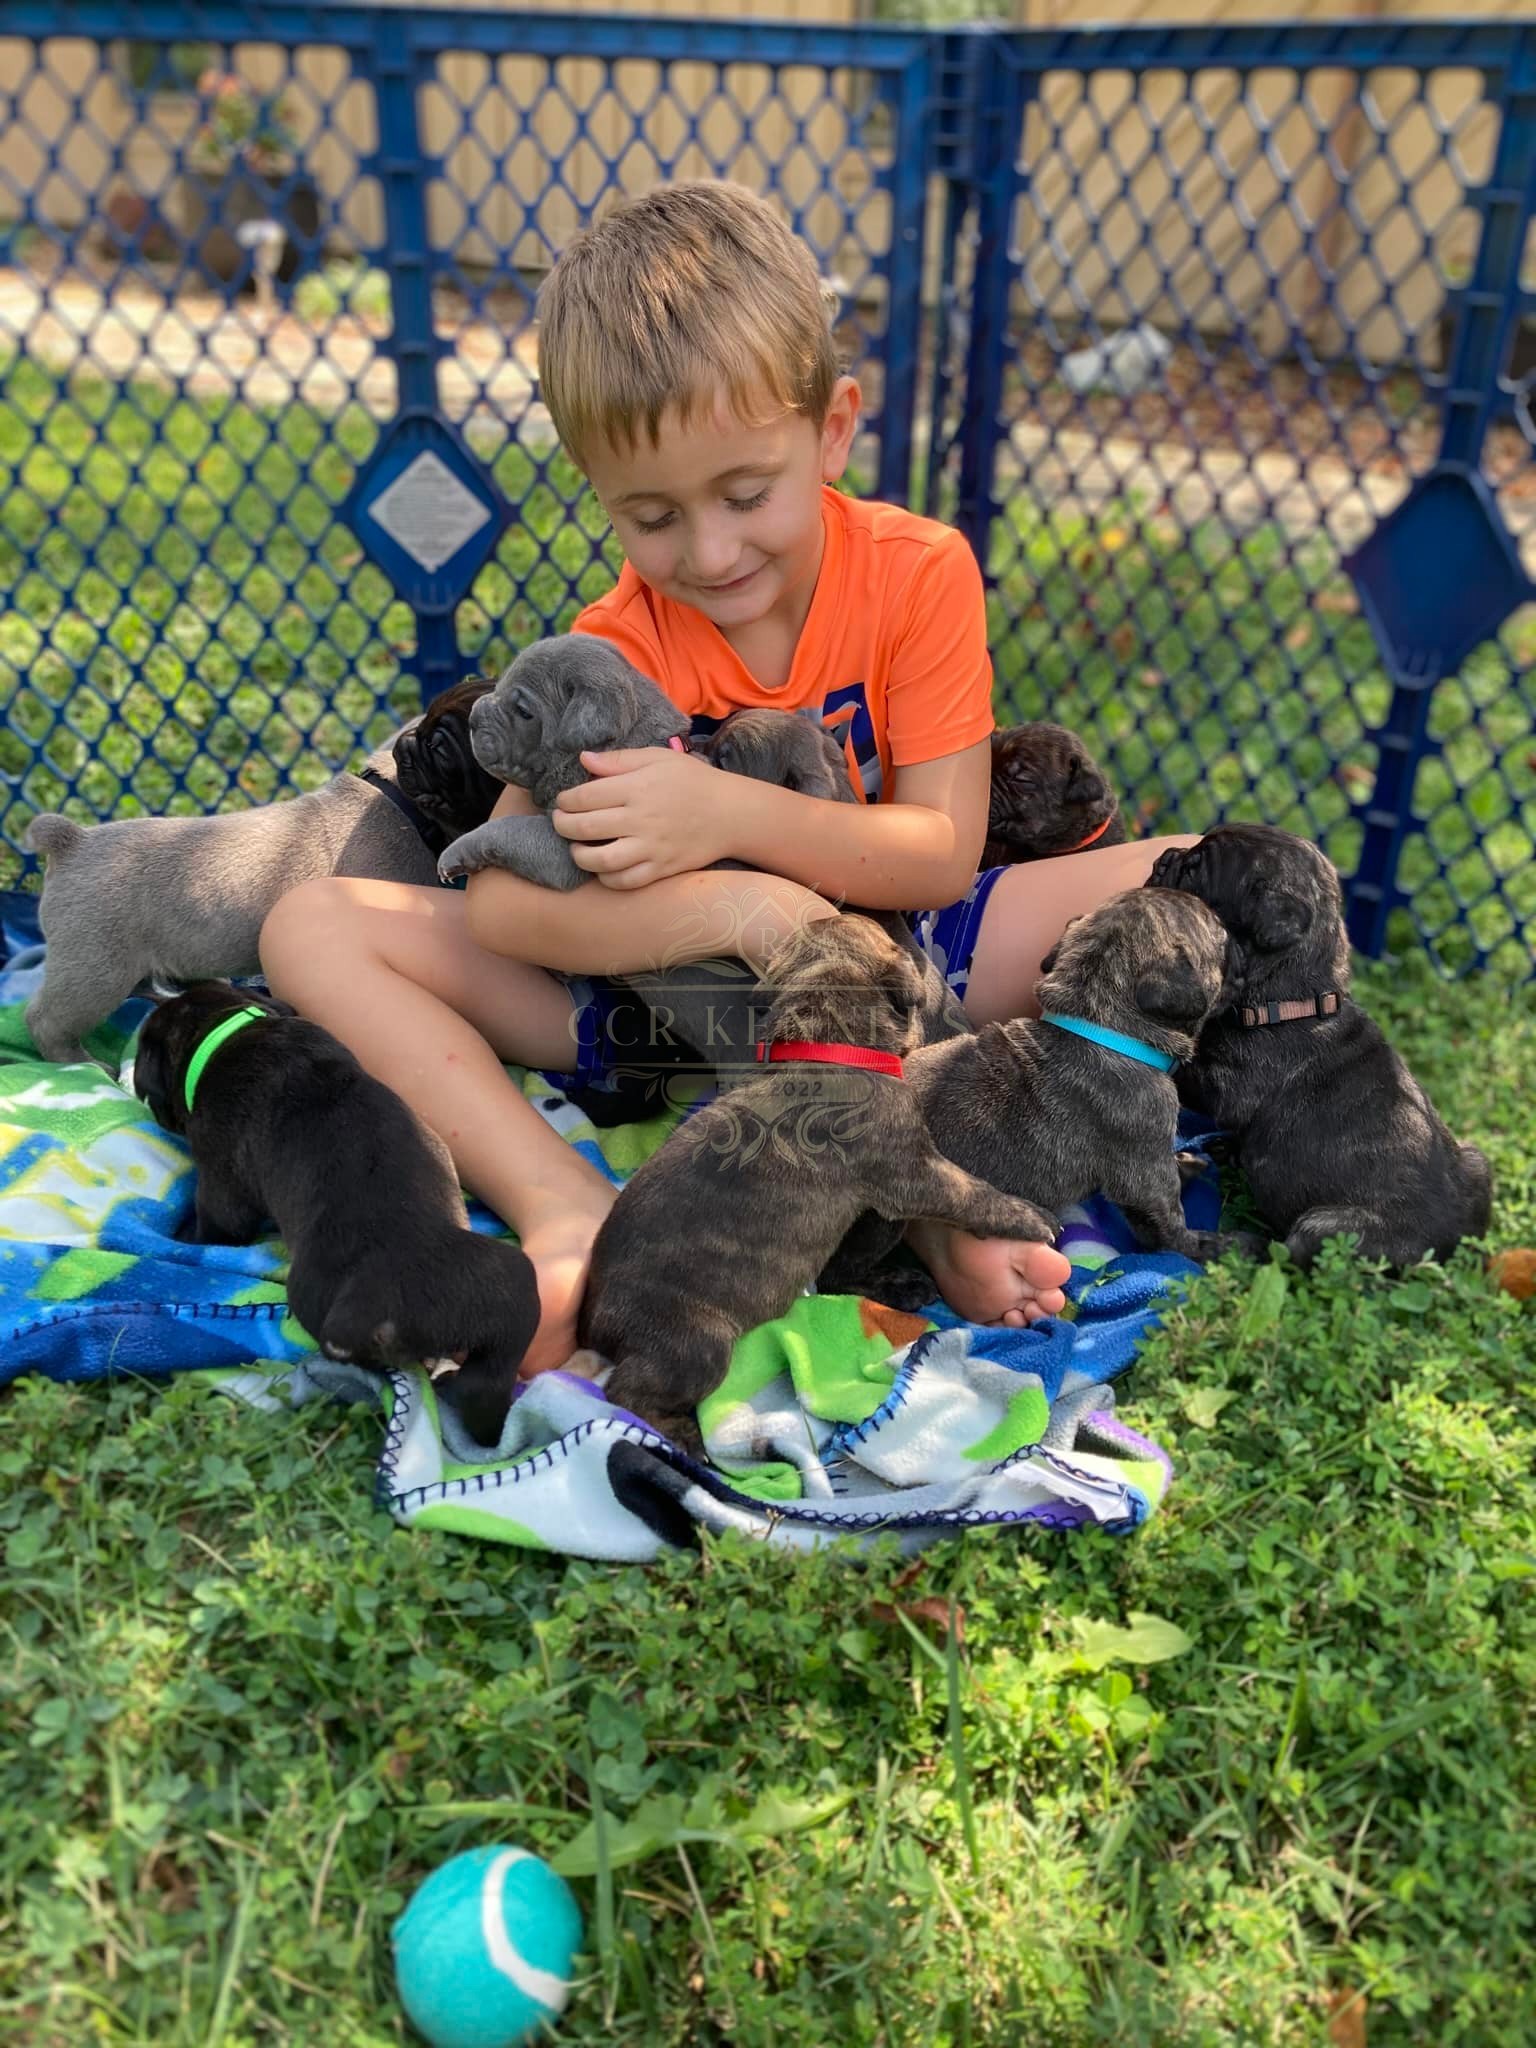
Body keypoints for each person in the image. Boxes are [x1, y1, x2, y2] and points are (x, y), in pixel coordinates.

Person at [260, 182, 1192, 1374]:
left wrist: (732, 819)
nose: (708, 552)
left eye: (747, 495)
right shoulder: (622, 639)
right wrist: (732, 911)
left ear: (834, 429)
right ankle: (568, 1208)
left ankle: (919, 1183)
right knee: (314, 923)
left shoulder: (918, 572)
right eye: (650, 515)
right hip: (659, 1012)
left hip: (910, 963)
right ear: (600, 491)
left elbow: (943, 851)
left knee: (1193, 875)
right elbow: (495, 896)